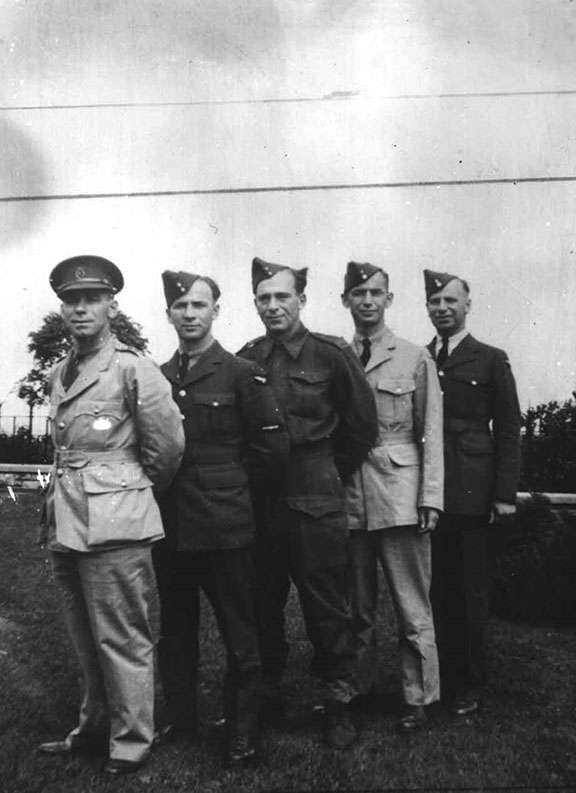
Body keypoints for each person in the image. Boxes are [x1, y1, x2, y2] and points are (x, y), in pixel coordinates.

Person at [38, 255, 184, 776]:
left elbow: (166, 449)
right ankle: (94, 727)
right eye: (71, 300)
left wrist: (126, 493)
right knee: (84, 636)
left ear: (111, 306)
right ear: (62, 307)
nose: (80, 309)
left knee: (122, 634)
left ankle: (132, 739)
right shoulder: (60, 371)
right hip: (66, 521)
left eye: (91, 299)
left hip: (117, 521)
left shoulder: (133, 367)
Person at [237, 257, 378, 749]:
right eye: (263, 298)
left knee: (326, 605)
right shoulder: (247, 357)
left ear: (301, 299)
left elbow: (362, 427)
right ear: (255, 303)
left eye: (282, 296)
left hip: (316, 497)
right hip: (262, 502)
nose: (273, 306)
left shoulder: (331, 355)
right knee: (262, 603)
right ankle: (267, 695)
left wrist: (325, 472)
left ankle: (338, 702)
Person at [153, 270, 288, 767]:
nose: (190, 314)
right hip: (172, 528)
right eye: (180, 306)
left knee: (240, 632)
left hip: (227, 527)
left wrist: (227, 485)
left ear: (216, 310)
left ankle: (242, 729)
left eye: (199, 305)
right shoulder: (158, 378)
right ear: (169, 313)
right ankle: (181, 716)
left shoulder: (241, 372)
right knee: (176, 627)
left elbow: (272, 451)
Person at [341, 262, 444, 732]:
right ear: (345, 300)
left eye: (375, 292)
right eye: (358, 292)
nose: (367, 300)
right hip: (350, 499)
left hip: (401, 495)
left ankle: (418, 696)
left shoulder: (413, 356)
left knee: (410, 603)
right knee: (356, 607)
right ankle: (360, 689)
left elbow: (431, 434)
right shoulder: (336, 356)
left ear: (389, 299)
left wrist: (431, 497)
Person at [424, 269, 521, 716]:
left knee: (470, 591)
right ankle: (442, 677)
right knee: (436, 589)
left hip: (473, 490)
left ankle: (471, 683)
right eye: (434, 302)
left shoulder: (490, 358)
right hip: (432, 490)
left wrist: (503, 493)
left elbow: (508, 431)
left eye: (450, 301)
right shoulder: (420, 358)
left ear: (467, 305)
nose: (442, 308)